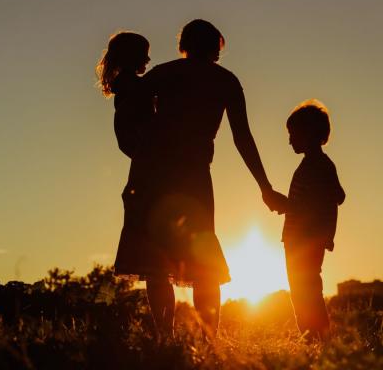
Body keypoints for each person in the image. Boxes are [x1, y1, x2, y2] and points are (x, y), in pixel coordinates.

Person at [112, 19, 282, 339]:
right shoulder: (226, 81)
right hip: (194, 177)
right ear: (217, 46)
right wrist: (265, 187)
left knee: (156, 263)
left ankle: (165, 337)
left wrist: (140, 155)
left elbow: (126, 118)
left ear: (184, 44)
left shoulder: (163, 74)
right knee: (205, 264)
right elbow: (242, 137)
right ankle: (209, 341)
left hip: (154, 175)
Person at [273, 100, 345, 340]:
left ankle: (316, 337)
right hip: (296, 239)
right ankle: (311, 337)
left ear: (311, 134)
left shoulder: (319, 166)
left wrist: (287, 205)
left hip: (305, 239)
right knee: (302, 289)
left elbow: (332, 198)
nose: (290, 140)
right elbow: (334, 196)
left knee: (306, 290)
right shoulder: (313, 165)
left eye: (294, 135)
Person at [96, 32, 154, 158]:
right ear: (131, 56)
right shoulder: (135, 86)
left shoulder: (124, 87)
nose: (148, 59)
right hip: (148, 152)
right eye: (144, 54)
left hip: (143, 154)